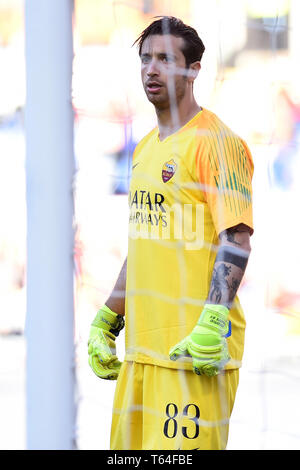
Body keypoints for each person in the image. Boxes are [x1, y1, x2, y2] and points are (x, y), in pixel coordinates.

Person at [88, 16, 254, 450]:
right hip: (141, 356)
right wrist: (109, 317)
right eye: (145, 59)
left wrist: (213, 320)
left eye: (165, 58)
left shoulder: (216, 142)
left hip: (194, 355)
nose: (151, 69)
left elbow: (235, 238)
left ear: (194, 69)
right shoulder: (144, 149)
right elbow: (144, 243)